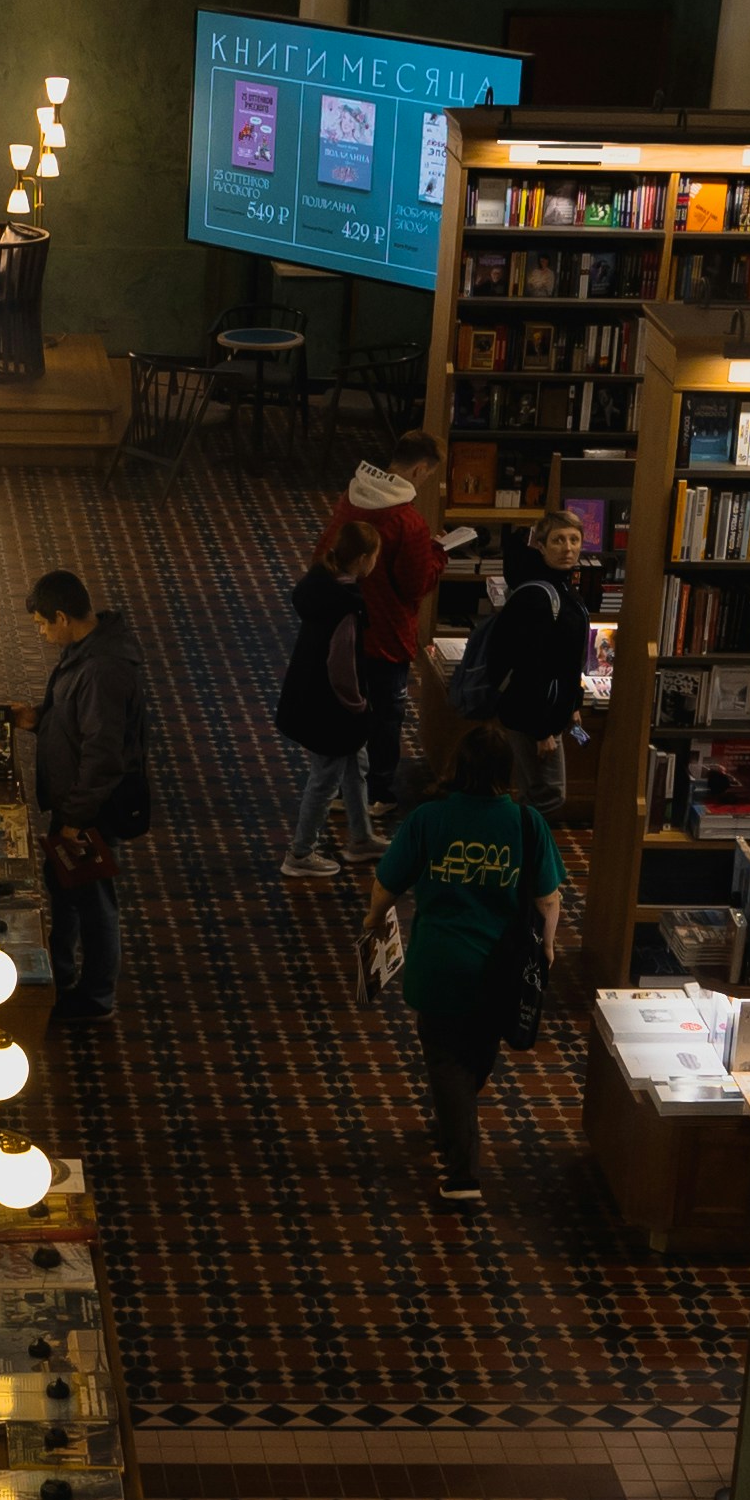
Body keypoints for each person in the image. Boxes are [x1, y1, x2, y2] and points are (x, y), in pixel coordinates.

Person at [376, 725, 560, 1205]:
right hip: (498, 970)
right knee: (475, 1056)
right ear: (506, 771)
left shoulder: (429, 819)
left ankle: (462, 1176)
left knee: (447, 1061)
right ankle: (456, 1128)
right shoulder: (525, 824)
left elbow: (387, 882)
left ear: (459, 767)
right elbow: (548, 898)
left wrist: (372, 920)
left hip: (438, 966)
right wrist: (548, 947)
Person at [22, 566, 147, 1041]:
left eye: (41, 624)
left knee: (95, 902)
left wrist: (74, 820)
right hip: (75, 802)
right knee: (66, 885)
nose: (40, 633)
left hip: (91, 809)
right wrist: (38, 720)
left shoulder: (102, 670)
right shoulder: (86, 652)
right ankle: (61, 968)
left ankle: (96, 998)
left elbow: (102, 755)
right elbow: (75, 723)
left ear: (61, 616)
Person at [457, 508, 598, 809]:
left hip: (550, 713)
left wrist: (573, 705)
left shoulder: (565, 589)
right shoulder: (536, 597)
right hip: (531, 717)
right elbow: (530, 667)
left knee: (537, 790)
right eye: (559, 540)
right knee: (547, 793)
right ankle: (520, 846)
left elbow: (566, 660)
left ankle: (521, 847)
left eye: (574, 540)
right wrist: (540, 730)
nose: (568, 548)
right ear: (542, 546)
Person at [333, 446, 446, 802]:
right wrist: (438, 555)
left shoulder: (351, 498)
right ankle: (377, 792)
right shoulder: (408, 522)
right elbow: (415, 584)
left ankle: (340, 790)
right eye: (428, 475)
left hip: (342, 628)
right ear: (417, 471)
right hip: (386, 634)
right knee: (385, 716)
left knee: (344, 710)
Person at [274, 515, 382, 881]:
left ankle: (362, 836)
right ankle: (301, 852)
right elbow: (342, 665)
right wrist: (358, 706)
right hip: (333, 710)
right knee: (324, 780)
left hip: (309, 698)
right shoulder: (346, 605)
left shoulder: (320, 585)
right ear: (365, 558)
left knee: (355, 767)